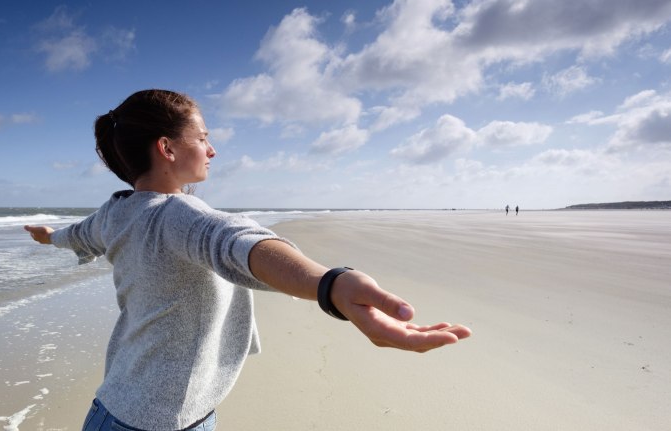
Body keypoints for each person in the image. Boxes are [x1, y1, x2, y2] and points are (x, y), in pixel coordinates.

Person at [25, 89, 471, 431]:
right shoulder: (178, 215)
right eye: (202, 138)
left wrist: (48, 236)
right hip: (158, 422)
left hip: (118, 406)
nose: (212, 150)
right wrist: (329, 285)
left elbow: (75, 235)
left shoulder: (114, 212)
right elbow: (237, 243)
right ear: (167, 148)